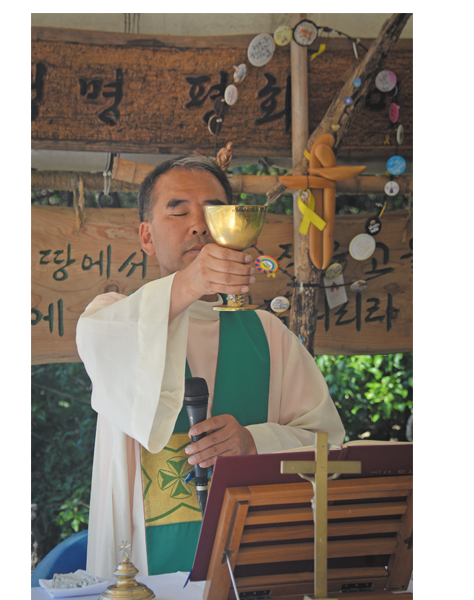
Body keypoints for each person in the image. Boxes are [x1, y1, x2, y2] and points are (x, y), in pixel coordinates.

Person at [76, 155, 345, 578]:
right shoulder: (116, 318)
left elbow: (329, 446)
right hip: (144, 565)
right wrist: (190, 282)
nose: (198, 225)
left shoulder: (267, 334)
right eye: (178, 210)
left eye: (213, 211)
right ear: (146, 236)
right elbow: (98, 341)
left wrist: (254, 442)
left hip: (257, 559)